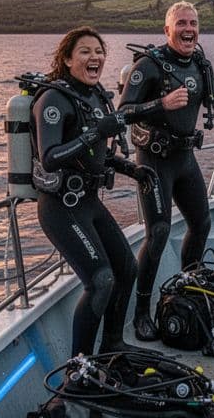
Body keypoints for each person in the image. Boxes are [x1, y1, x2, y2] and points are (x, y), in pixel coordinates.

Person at [31, 26, 164, 357]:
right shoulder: (53, 99)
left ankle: (113, 344)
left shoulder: (97, 97)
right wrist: (96, 133)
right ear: (66, 59)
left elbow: (98, 155)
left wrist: (131, 169)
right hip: (61, 207)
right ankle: (79, 367)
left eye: (100, 51)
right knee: (101, 280)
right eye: (85, 52)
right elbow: (49, 158)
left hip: (88, 201)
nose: (96, 57)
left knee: (127, 269)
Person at [119, 1, 214, 341]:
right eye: (182, 24)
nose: (189, 29)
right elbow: (123, 111)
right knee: (158, 233)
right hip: (154, 161)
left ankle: (189, 287)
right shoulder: (148, 65)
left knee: (202, 223)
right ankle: (141, 313)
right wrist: (160, 103)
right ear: (167, 30)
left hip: (185, 159)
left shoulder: (201, 64)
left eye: (193, 23)